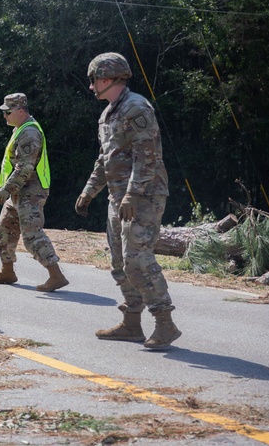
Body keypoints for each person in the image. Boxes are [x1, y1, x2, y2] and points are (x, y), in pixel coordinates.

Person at [75, 53, 180, 349]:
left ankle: (165, 323)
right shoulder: (109, 113)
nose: (92, 87)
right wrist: (89, 192)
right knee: (120, 263)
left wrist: (133, 193)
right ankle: (132, 323)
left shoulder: (135, 107)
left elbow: (146, 156)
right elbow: (104, 158)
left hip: (144, 195)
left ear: (107, 79)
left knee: (137, 259)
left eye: (94, 81)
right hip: (118, 197)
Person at [0, 93, 69, 292]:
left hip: (30, 192)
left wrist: (7, 188)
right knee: (4, 231)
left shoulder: (29, 133)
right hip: (19, 192)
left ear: (20, 111)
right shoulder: (19, 129)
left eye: (8, 112)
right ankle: (7, 272)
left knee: (32, 236)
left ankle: (56, 276)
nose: (4, 116)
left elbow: (25, 167)